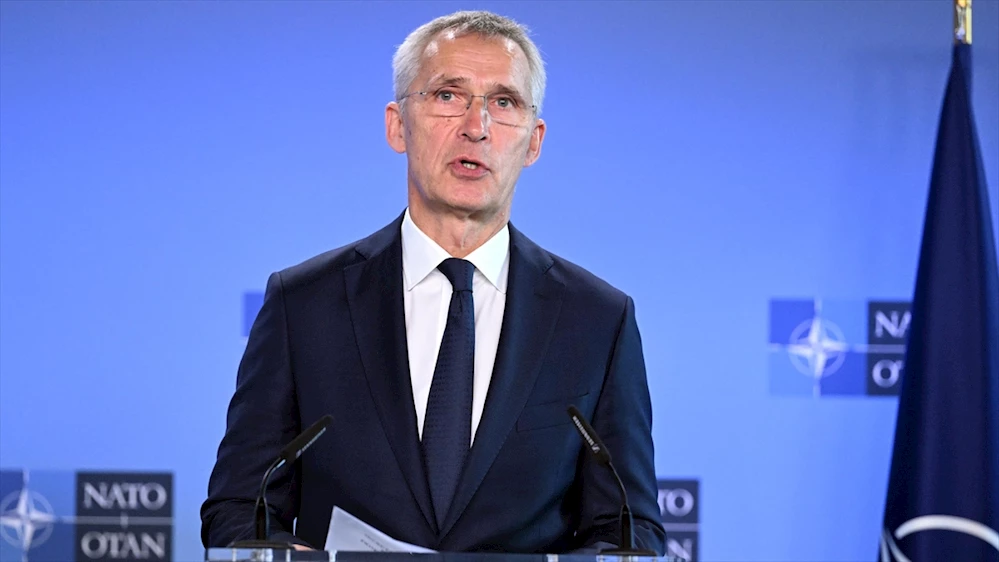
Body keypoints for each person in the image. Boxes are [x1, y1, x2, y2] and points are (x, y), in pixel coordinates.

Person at [201, 10, 665, 554]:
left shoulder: (597, 320)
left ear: (534, 142)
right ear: (398, 125)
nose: (477, 126)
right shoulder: (302, 304)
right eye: (449, 95)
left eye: (504, 102)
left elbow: (630, 531)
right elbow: (240, 508)